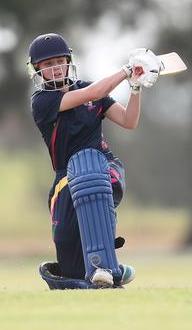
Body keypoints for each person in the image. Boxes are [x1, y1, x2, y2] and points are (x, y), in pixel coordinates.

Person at [28, 33, 162, 289]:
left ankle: (106, 266)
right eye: (47, 64)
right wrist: (126, 70)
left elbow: (128, 121)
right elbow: (96, 90)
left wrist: (135, 87)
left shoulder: (91, 92)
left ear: (68, 62)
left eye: (59, 61)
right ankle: (112, 270)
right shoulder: (43, 102)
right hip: (66, 175)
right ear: (37, 70)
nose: (55, 68)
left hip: (103, 165)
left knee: (90, 175)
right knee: (71, 257)